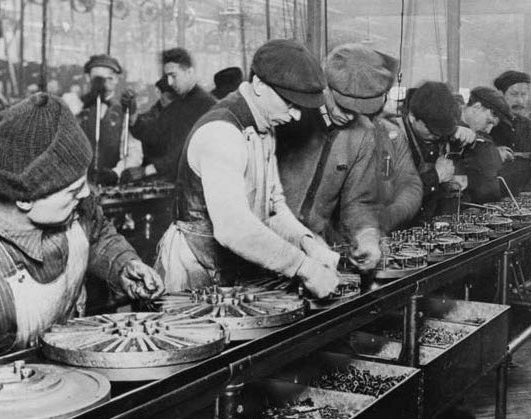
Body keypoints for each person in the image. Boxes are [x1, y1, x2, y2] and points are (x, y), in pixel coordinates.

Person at [0, 93, 163, 384]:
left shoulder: (74, 207)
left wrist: (124, 265)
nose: (86, 194)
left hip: (70, 384)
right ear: (25, 200)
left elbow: (96, 233)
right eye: (73, 191)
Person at [155, 39, 347, 298]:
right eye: (290, 102)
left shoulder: (265, 126)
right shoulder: (221, 132)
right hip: (195, 271)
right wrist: (304, 267)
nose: (297, 114)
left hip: (230, 269)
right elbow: (233, 229)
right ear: (258, 85)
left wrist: (308, 244)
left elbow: (273, 207)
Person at [278, 43, 393, 272]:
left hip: (315, 249)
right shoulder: (287, 118)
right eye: (342, 105)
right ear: (325, 87)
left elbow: (357, 202)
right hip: (270, 242)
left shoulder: (364, 133)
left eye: (358, 109)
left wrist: (367, 236)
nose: (348, 115)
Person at [126, 48, 217, 183]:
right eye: (167, 76)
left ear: (189, 72)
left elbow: (183, 152)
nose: (169, 82)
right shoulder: (177, 104)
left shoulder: (206, 105)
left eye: (173, 76)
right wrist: (133, 114)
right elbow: (154, 133)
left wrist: (146, 170)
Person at [401, 81, 469, 222]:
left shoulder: (441, 132)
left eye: (442, 131)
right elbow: (392, 195)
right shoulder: (393, 137)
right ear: (413, 117)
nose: (437, 136)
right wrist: (436, 176)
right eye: (432, 130)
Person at [77, 54, 143, 185]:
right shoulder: (77, 108)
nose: (104, 83)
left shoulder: (125, 111)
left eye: (109, 78)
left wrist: (117, 172)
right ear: (87, 78)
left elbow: (134, 152)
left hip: (110, 184)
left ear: (116, 79)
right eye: (98, 78)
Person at [458, 87, 512, 204]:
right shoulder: (451, 127)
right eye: (489, 122)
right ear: (477, 107)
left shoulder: (478, 132)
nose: (488, 130)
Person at [491, 70, 531, 193]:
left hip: (522, 192)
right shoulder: (489, 123)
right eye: (514, 94)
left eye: (524, 94)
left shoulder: (529, 125)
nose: (520, 101)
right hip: (494, 192)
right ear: (500, 95)